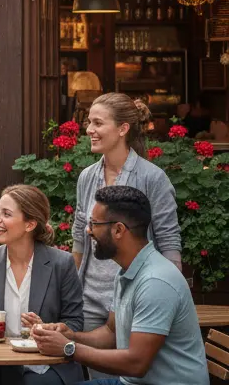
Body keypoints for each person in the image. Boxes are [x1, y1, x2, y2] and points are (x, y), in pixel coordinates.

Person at [33, 186, 207, 385]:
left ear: (118, 229)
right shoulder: (127, 270)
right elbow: (111, 334)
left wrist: (68, 348)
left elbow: (136, 364)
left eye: (94, 223)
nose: (88, 230)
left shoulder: (155, 282)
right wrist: (71, 336)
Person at [72, 94, 182, 379]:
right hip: (89, 296)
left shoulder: (152, 178)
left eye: (98, 123)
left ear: (122, 129)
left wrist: (167, 295)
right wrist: (71, 292)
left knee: (130, 374)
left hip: (134, 297)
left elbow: (169, 242)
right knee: (99, 376)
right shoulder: (86, 177)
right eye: (88, 122)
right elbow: (79, 239)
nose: (89, 130)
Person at [0, 184, 84, 385]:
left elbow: (74, 322)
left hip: (46, 362)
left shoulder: (61, 263)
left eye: (6, 213)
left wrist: (49, 328)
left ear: (29, 224)